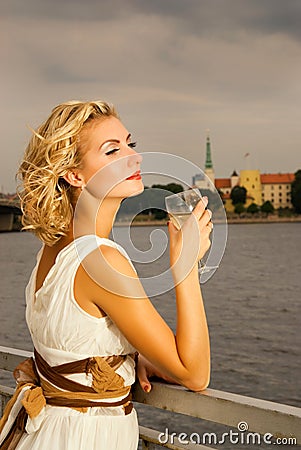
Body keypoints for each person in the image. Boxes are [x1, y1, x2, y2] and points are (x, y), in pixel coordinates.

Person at [0, 100, 212, 450]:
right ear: (75, 175)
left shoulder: (51, 252)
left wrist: (126, 357)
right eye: (112, 151)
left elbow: (70, 344)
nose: (134, 157)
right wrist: (186, 265)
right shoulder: (101, 259)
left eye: (131, 144)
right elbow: (195, 373)